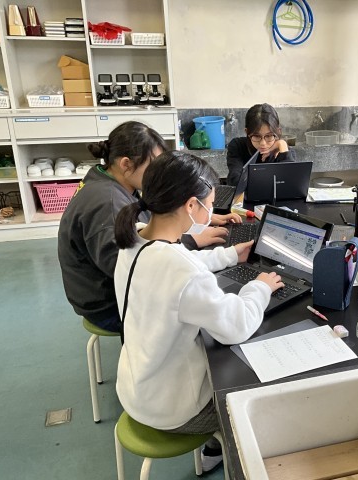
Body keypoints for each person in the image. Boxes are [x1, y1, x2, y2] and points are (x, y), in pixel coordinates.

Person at [113, 151, 283, 472]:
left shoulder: (136, 237)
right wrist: (259, 287)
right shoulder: (182, 271)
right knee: (256, 394)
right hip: (173, 410)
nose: (211, 213)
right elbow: (236, 325)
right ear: (191, 205)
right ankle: (225, 453)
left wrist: (229, 255)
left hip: (136, 388)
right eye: (210, 205)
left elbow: (178, 261)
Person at [58, 121, 239, 333]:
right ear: (126, 164)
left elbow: (148, 219)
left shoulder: (110, 180)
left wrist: (197, 214)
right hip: (108, 306)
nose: (159, 173)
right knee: (200, 311)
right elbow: (133, 266)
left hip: (107, 289)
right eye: (153, 166)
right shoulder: (108, 202)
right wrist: (189, 239)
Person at [225, 103, 296, 186]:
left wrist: (282, 144)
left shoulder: (284, 150)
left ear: (277, 132)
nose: (263, 143)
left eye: (269, 136)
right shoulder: (238, 146)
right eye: (256, 136)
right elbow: (236, 181)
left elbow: (290, 183)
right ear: (247, 132)